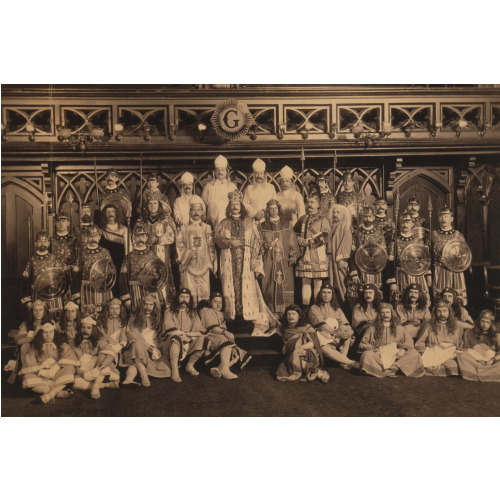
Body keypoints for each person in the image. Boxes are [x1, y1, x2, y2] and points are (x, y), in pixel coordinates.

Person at [214, 190, 276, 336]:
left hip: (247, 261)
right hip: (229, 261)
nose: (235, 206)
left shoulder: (249, 222)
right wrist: (229, 242)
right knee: (230, 290)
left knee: (248, 289)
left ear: (241, 206)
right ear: (229, 206)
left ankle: (247, 318)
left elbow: (258, 241)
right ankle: (232, 317)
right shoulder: (224, 223)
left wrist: (255, 258)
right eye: (232, 204)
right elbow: (216, 238)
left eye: (237, 204)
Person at [358, 303, 423, 378]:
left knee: (414, 353)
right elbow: (363, 343)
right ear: (379, 314)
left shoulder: (399, 328)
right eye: (383, 312)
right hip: (379, 356)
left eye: (388, 312)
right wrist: (374, 350)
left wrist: (403, 350)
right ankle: (382, 370)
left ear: (392, 313)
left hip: (396, 356)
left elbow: (409, 342)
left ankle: (394, 367)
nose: (386, 315)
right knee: (366, 355)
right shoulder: (372, 328)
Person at [18, 322, 78, 404]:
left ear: (54, 333)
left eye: (51, 332)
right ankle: (56, 392)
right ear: (41, 334)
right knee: (26, 377)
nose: (48, 335)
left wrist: (56, 367)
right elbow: (30, 364)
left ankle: (51, 394)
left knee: (70, 368)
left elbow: (69, 358)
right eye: (45, 332)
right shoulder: (34, 347)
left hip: (57, 373)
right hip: (41, 375)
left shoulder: (61, 345)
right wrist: (40, 371)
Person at [199, 292, 252, 379]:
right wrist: (225, 332)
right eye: (215, 302)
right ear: (210, 302)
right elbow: (212, 328)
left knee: (237, 353)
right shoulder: (206, 311)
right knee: (225, 341)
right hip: (210, 335)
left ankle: (220, 368)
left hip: (218, 336)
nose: (218, 304)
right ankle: (225, 370)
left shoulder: (221, 314)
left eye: (220, 302)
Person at [120, 223, 171, 311]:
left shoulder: (152, 254)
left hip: (152, 291)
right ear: (134, 238)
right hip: (135, 291)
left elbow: (161, 272)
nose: (140, 238)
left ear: (146, 238)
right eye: (138, 236)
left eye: (143, 236)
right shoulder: (129, 256)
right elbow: (122, 278)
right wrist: (126, 298)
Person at [176, 195, 216, 306]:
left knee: (204, 293)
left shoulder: (206, 228)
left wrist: (211, 261)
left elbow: (211, 246)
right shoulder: (183, 228)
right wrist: (187, 255)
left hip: (204, 265)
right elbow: (179, 245)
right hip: (188, 265)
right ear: (189, 211)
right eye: (193, 209)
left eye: (199, 209)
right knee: (189, 292)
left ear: (202, 212)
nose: (196, 212)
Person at [261, 199, 299, 316]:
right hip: (269, 261)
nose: (273, 210)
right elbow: (259, 242)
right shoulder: (262, 226)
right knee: (269, 284)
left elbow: (293, 242)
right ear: (268, 210)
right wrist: (266, 245)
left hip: (284, 262)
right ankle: (271, 315)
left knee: (285, 284)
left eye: (275, 208)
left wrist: (293, 255)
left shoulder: (287, 224)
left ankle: (287, 314)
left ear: (279, 209)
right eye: (271, 208)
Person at [308, 283, 359, 370]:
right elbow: (322, 326)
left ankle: (342, 360)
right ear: (320, 294)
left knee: (346, 331)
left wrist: (349, 332)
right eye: (324, 292)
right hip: (321, 337)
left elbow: (346, 324)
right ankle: (350, 362)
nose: (326, 295)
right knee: (323, 346)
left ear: (332, 295)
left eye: (329, 292)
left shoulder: (337, 309)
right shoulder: (314, 308)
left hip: (335, 337)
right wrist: (337, 334)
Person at [294, 190, 331, 309]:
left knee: (317, 283)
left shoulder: (323, 219)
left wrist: (310, 241)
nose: (309, 204)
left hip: (318, 253)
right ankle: (305, 308)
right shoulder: (302, 219)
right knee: (305, 283)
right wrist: (299, 239)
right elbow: (294, 233)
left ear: (318, 204)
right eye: (308, 202)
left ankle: (316, 308)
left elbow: (326, 235)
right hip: (305, 254)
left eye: (312, 202)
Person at [123, 294, 169, 386]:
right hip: (138, 346)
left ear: (154, 306)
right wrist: (146, 345)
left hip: (153, 347)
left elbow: (160, 334)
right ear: (142, 305)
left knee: (166, 370)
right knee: (138, 344)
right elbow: (132, 333)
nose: (148, 307)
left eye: (151, 305)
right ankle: (144, 375)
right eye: (146, 304)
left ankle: (129, 379)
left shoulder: (158, 317)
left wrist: (157, 348)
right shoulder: (134, 317)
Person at [161, 288, 206, 383]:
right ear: (177, 298)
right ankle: (174, 370)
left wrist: (188, 337)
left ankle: (190, 365)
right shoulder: (169, 311)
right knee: (176, 338)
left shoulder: (193, 313)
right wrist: (184, 335)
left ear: (190, 299)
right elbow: (170, 330)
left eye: (187, 297)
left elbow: (199, 331)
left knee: (202, 338)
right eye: (182, 296)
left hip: (187, 343)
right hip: (171, 344)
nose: (184, 299)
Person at [276, 304, 329, 383]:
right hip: (292, 351)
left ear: (299, 316)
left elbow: (312, 344)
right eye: (289, 314)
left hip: (307, 351)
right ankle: (319, 373)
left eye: (294, 314)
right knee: (294, 358)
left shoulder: (306, 327)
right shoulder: (284, 328)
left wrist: (300, 348)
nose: (291, 316)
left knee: (296, 358)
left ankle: (319, 374)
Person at [137, 192, 176, 300]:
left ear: (159, 205)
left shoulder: (165, 220)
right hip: (145, 255)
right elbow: (134, 237)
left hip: (161, 254)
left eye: (155, 203)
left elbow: (171, 236)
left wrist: (158, 239)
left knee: (161, 278)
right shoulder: (141, 221)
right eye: (150, 203)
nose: (152, 206)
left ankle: (163, 303)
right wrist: (143, 240)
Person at [71, 316, 121, 399]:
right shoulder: (73, 342)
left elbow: (111, 354)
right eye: (83, 327)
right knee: (75, 383)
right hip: (83, 371)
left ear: (93, 329)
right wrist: (83, 374)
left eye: (88, 328)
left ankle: (96, 384)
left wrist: (98, 369)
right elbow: (73, 362)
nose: (85, 330)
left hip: (99, 371)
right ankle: (106, 385)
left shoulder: (99, 340)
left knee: (103, 354)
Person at [349, 206, 393, 299]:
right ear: (361, 217)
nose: (367, 219)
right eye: (365, 216)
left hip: (376, 269)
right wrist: (354, 271)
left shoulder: (379, 233)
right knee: (361, 294)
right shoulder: (357, 233)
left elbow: (383, 252)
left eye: (369, 216)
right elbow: (352, 253)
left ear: (373, 217)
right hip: (360, 269)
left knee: (377, 294)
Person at [21, 231, 66, 318]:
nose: (43, 243)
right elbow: (26, 282)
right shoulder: (32, 260)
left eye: (45, 241)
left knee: (55, 320)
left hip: (53, 294)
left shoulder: (54, 259)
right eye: (40, 241)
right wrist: (28, 301)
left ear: (49, 243)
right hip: (37, 295)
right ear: (36, 243)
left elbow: (61, 278)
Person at [431, 206, 470, 305]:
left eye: (446, 216)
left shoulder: (459, 236)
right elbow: (428, 255)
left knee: (457, 297)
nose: (443, 219)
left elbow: (464, 255)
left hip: (455, 271)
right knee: (440, 298)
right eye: (441, 216)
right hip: (439, 270)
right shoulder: (433, 235)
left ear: (451, 219)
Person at [415, 299, 463, 377]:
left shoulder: (457, 326)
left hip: (450, 354)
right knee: (423, 362)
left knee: (454, 365)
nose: (442, 314)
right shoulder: (429, 326)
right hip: (434, 352)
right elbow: (420, 343)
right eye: (439, 311)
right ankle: (435, 368)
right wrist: (424, 353)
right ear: (435, 313)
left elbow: (460, 344)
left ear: (449, 312)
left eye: (444, 311)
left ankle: (436, 368)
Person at [76, 224, 115, 316]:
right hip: (87, 289)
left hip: (103, 288)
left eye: (95, 236)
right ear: (87, 237)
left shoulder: (105, 252)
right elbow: (77, 274)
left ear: (99, 237)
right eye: (91, 236)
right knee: (88, 316)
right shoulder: (82, 253)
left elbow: (111, 272)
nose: (93, 238)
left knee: (104, 315)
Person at [393, 211, 432, 300]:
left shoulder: (418, 240)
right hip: (401, 275)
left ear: (412, 224)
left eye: (407, 222)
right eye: (402, 222)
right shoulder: (395, 241)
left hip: (417, 275)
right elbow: (391, 261)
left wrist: (428, 275)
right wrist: (392, 282)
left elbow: (425, 259)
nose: (405, 224)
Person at [456, 309, 500, 382]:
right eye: (483, 321)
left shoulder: (497, 336)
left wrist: (492, 360)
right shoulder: (469, 333)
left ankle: (476, 374)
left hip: (490, 363)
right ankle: (486, 374)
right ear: (479, 321)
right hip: (475, 362)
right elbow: (465, 349)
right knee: (461, 356)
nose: (484, 324)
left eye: (488, 322)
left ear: (492, 323)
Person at [99, 204, 129, 297]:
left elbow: (128, 248)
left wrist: (126, 262)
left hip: (120, 261)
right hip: (107, 262)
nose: (110, 214)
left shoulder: (124, 229)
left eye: (112, 211)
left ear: (116, 213)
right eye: (107, 212)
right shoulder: (101, 230)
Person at [201, 155, 238, 229]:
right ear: (214, 172)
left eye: (222, 170)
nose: (220, 172)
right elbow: (203, 204)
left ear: (227, 172)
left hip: (229, 222)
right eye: (217, 170)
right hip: (212, 223)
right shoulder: (209, 187)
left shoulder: (232, 186)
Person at [52, 211, 80, 300]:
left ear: (68, 223)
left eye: (64, 221)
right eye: (59, 221)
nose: (61, 223)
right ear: (55, 223)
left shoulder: (74, 240)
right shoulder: (50, 241)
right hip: (55, 276)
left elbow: (78, 258)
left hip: (71, 276)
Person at [329, 204, 352, 307]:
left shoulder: (344, 225)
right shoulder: (332, 226)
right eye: (334, 212)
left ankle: (343, 307)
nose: (335, 214)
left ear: (344, 214)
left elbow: (347, 242)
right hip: (331, 260)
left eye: (338, 212)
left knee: (341, 284)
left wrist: (343, 259)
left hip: (339, 261)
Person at [349, 283, 381, 356]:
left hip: (378, 330)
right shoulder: (358, 307)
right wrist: (372, 325)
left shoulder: (379, 306)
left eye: (370, 293)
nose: (368, 295)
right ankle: (366, 348)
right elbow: (357, 323)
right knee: (370, 327)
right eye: (365, 293)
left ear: (375, 294)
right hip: (363, 333)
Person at [242, 158, 277, 223]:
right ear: (254, 175)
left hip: (268, 219)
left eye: (261, 173)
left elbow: (275, 203)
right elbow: (245, 204)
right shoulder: (249, 188)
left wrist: (264, 212)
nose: (259, 176)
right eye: (257, 174)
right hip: (254, 220)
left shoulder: (271, 187)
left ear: (264, 175)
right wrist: (255, 213)